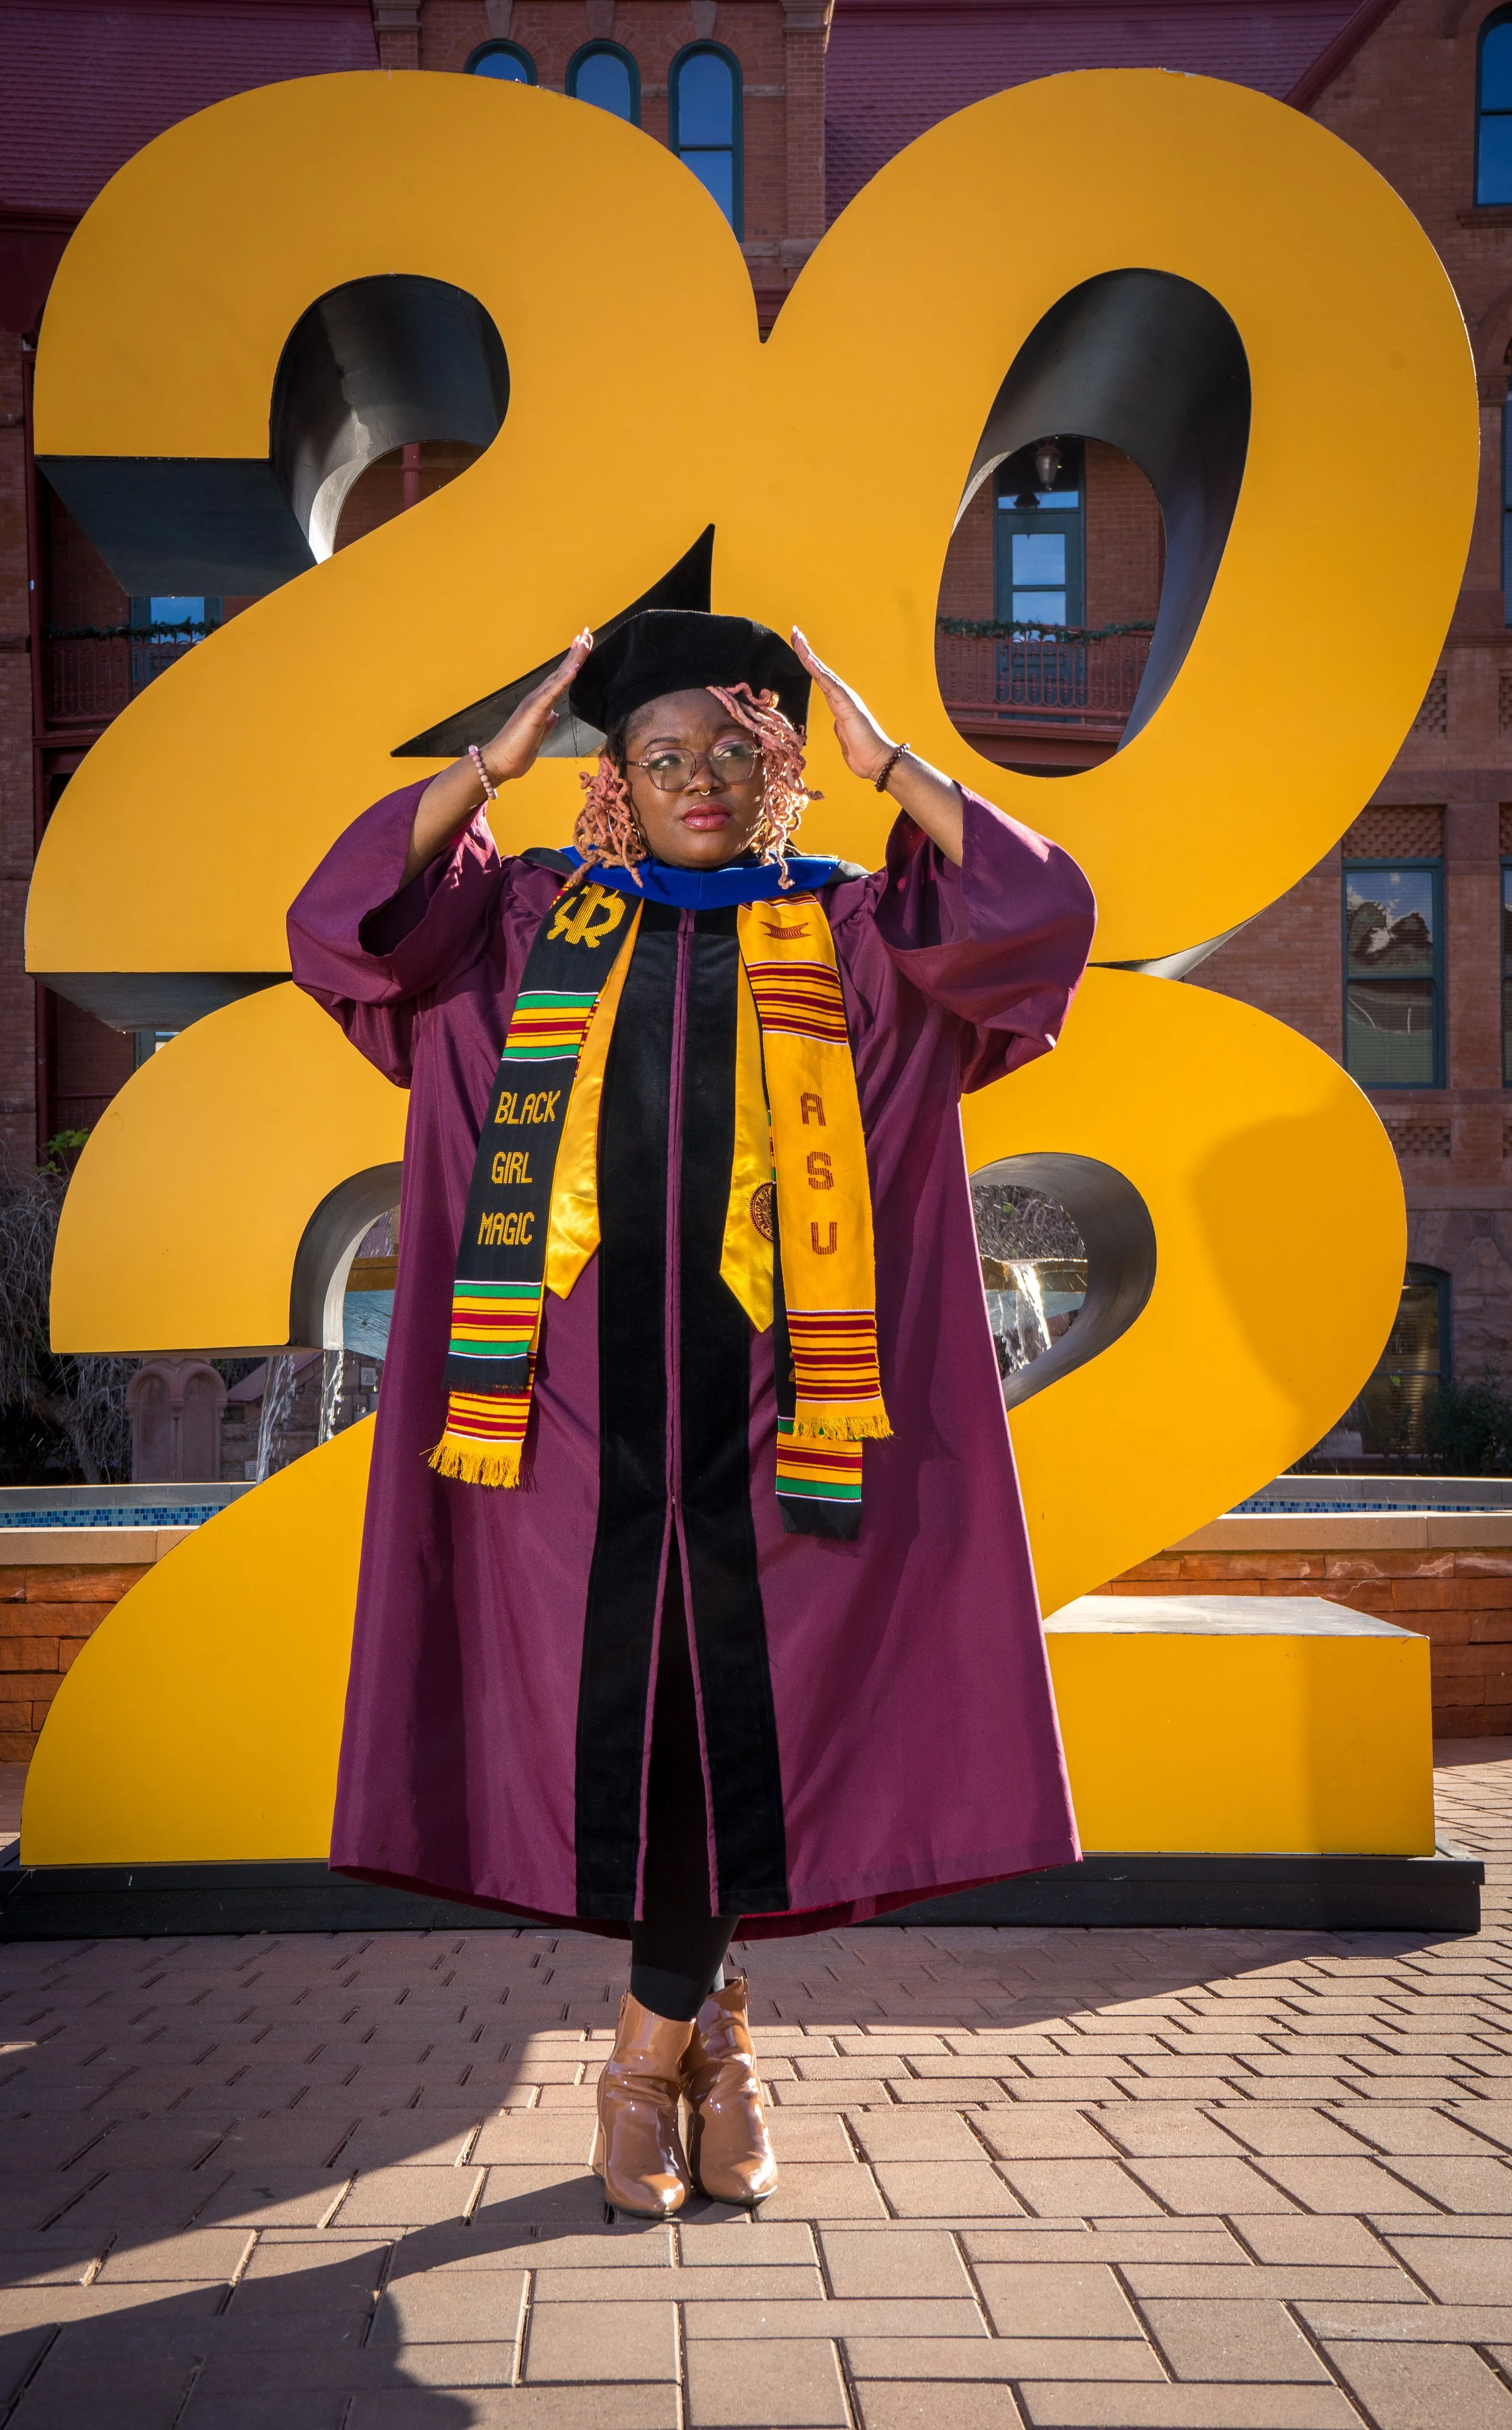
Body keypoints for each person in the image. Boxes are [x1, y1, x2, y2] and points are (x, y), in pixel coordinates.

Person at [287, 611, 1096, 2220]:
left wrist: (896, 764)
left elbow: (1039, 912)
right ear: (618, 782)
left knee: (743, 1734)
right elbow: (352, 929)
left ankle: (643, 2072)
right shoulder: (523, 926)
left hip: (794, 1422)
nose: (704, 782)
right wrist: (488, 762)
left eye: (743, 749)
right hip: (569, 1434)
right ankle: (713, 2050)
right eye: (663, 757)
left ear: (789, 767)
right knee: (650, 1740)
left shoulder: (861, 934)